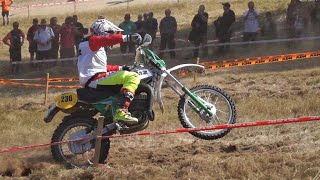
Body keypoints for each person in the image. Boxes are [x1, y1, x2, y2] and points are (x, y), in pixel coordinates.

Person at [77, 18, 142, 125]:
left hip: (94, 77)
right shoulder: (92, 41)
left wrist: (122, 68)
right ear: (102, 32)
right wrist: (128, 37)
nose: (111, 35)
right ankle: (122, 110)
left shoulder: (91, 45)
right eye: (110, 33)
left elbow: (101, 67)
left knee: (127, 75)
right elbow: (106, 40)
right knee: (132, 77)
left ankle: (116, 111)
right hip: (94, 78)